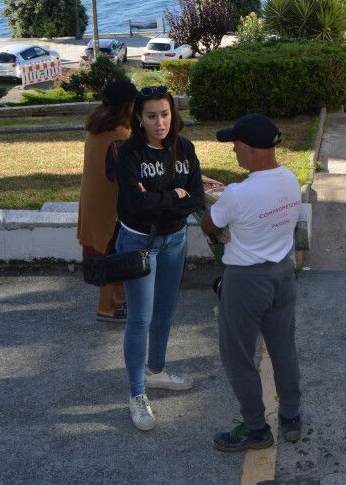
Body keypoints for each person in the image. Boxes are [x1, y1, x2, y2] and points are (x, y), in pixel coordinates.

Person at [202, 113, 304, 452]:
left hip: (246, 281)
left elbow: (209, 223)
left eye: (236, 146)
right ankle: (291, 417)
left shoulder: (237, 194)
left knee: (239, 356)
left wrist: (212, 196)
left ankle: (256, 428)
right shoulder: (290, 179)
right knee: (283, 348)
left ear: (250, 148)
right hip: (281, 275)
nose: (233, 152)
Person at [111, 84, 206, 432]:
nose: (159, 122)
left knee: (165, 312)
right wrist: (172, 195)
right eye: (151, 116)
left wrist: (164, 198)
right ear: (139, 117)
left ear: (173, 114)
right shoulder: (129, 153)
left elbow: (195, 196)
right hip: (139, 242)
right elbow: (136, 204)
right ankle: (136, 394)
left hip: (176, 240)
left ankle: (157, 370)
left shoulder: (185, 148)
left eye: (164, 114)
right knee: (140, 318)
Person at [77, 79, 137, 323]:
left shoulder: (96, 130)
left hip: (94, 205)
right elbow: (124, 175)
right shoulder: (119, 137)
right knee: (116, 257)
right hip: (110, 210)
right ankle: (110, 307)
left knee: (110, 254)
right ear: (128, 106)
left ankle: (115, 303)